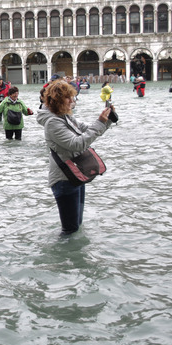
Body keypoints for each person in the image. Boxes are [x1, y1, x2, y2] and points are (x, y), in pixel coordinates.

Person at [37, 81, 114, 235]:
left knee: (76, 225)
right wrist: (100, 123)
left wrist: (107, 120)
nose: (73, 101)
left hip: (75, 174)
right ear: (58, 100)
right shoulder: (53, 122)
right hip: (64, 179)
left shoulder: (65, 116)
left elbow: (87, 129)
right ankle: (61, 256)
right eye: (69, 98)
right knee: (70, 229)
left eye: (73, 97)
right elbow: (77, 144)